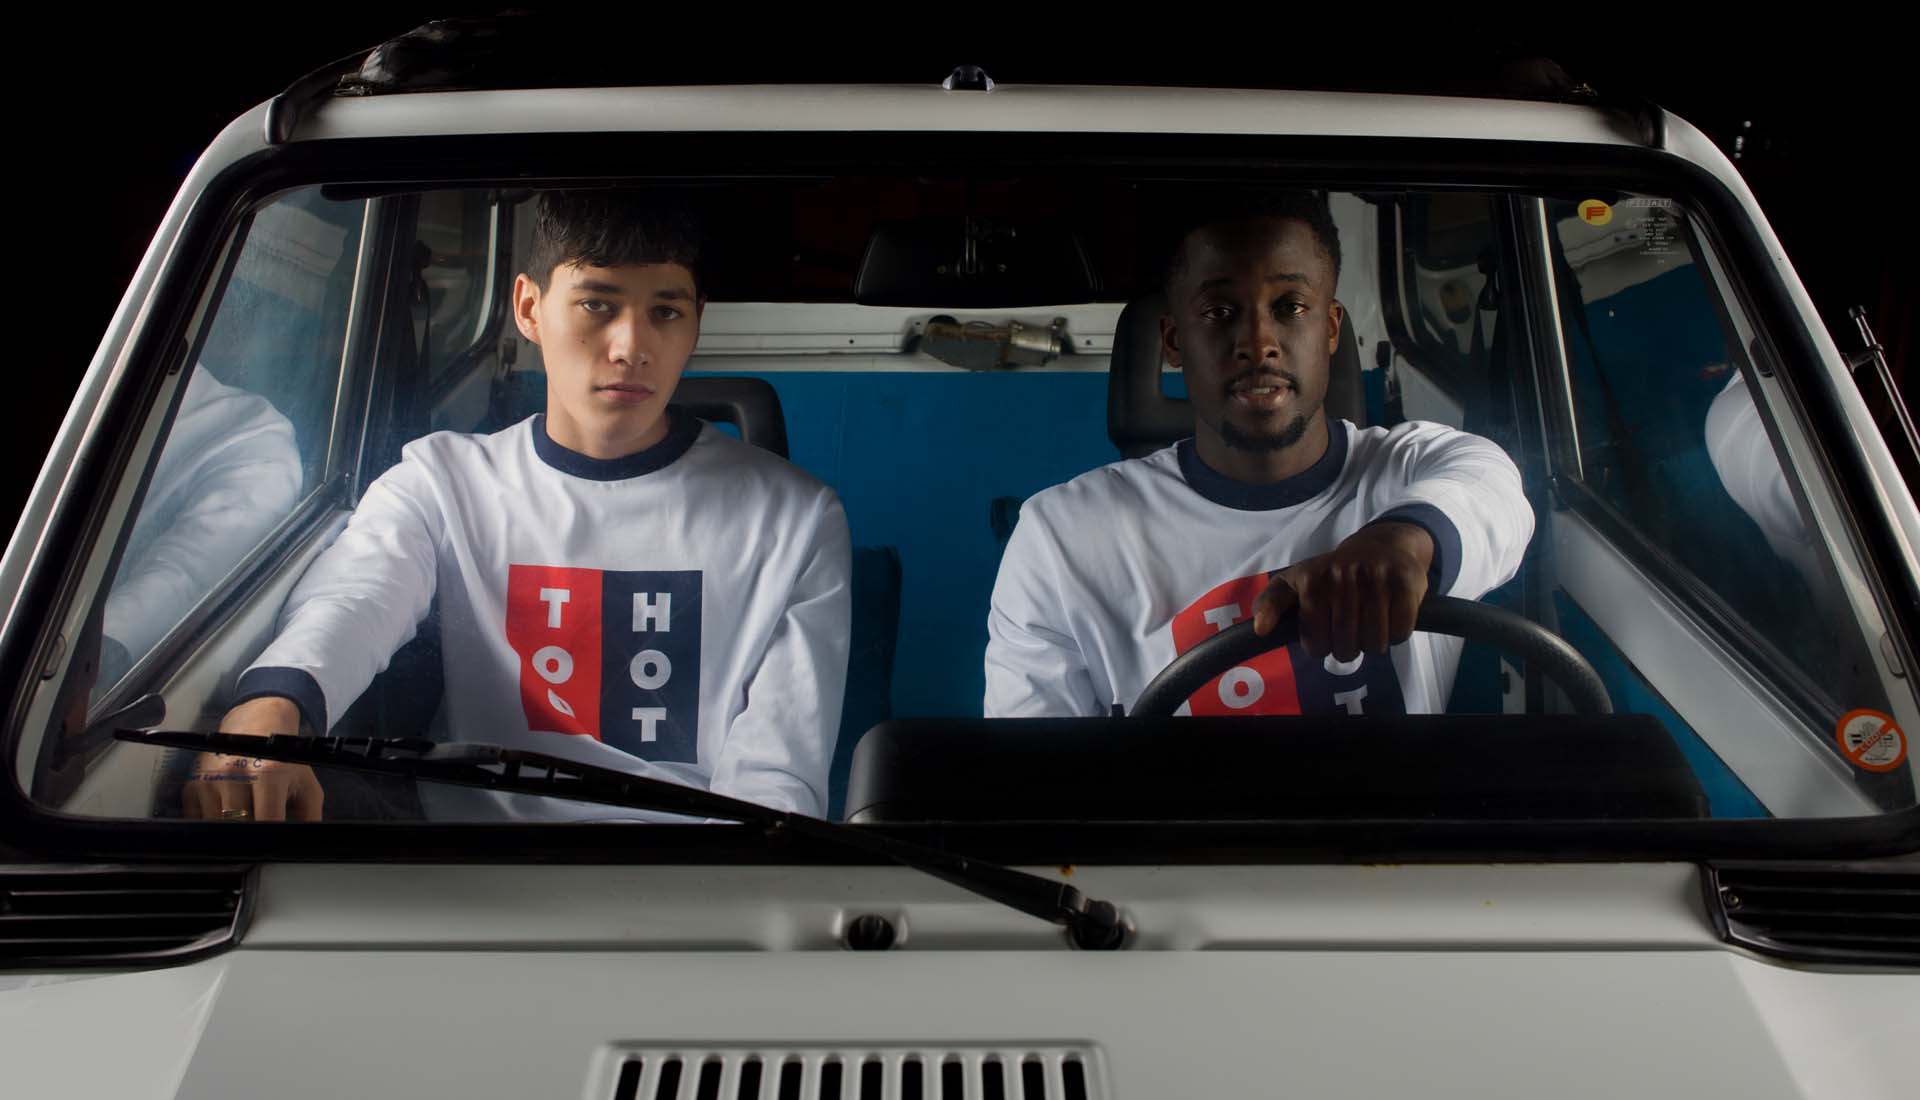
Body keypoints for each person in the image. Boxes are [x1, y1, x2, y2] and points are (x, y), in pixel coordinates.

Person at [190, 191, 851, 822]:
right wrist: (272, 705)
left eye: (666, 313)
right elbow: (355, 596)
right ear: (529, 309)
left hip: (687, 862)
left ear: (697, 322)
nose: (631, 346)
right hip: (464, 846)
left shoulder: (795, 521)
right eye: (597, 305)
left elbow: (776, 778)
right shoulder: (444, 482)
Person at [985, 192, 1533, 718]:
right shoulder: (1062, 537)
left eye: (1290, 306)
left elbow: (1492, 494)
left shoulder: (1416, 468)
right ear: (1173, 342)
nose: (1258, 342)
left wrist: (1402, 544)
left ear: (1331, 329)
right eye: (1220, 311)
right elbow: (1033, 768)